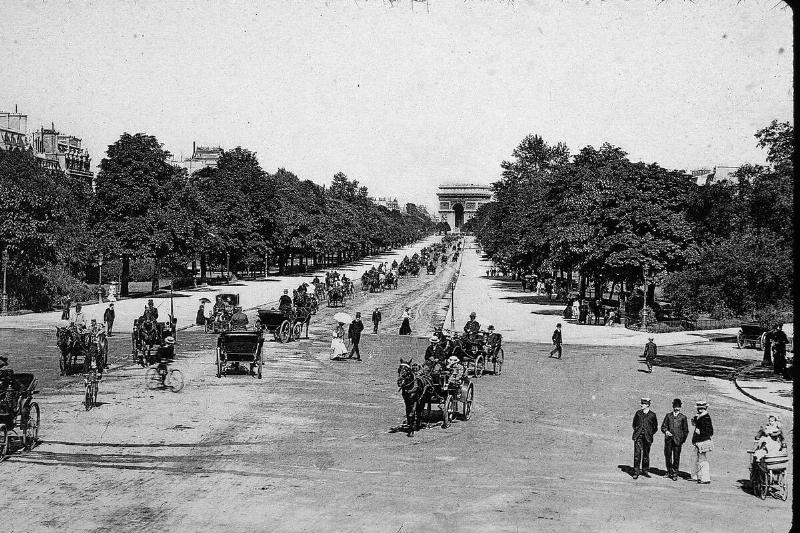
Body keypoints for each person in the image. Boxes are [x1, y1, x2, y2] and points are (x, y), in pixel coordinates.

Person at [661, 398, 689, 480]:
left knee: (676, 457)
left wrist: (682, 440)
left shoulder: (683, 417)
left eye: (678, 407)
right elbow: (663, 426)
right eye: (675, 406)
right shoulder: (668, 416)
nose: (677, 408)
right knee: (668, 456)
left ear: (680, 407)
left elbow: (686, 430)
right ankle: (669, 471)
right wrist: (666, 431)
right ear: (673, 406)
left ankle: (675, 473)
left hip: (678, 441)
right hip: (668, 440)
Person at [631, 398, 658, 479]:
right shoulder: (638, 413)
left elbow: (655, 427)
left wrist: (649, 433)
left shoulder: (652, 415)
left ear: (647, 405)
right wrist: (637, 431)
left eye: (643, 404)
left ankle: (645, 471)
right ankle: (636, 472)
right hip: (638, 437)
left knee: (646, 455)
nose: (641, 405)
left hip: (647, 438)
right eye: (641, 403)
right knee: (637, 455)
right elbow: (634, 424)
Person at [691, 401, 714, 484]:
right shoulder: (699, 416)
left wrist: (700, 431)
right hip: (698, 441)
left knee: (702, 460)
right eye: (699, 408)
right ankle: (696, 476)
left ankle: (705, 478)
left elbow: (710, 432)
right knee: (695, 458)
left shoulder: (706, 418)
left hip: (703, 441)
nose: (700, 410)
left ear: (705, 408)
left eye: (702, 408)